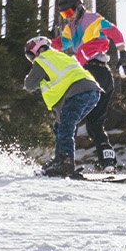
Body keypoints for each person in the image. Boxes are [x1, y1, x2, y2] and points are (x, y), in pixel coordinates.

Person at [54, 0, 126, 171]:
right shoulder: (70, 29)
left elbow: (114, 32)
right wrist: (46, 45)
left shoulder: (93, 19)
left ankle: (63, 159)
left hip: (93, 72)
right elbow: (62, 44)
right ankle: (108, 162)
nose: (68, 17)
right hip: (102, 77)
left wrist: (123, 53)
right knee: (94, 125)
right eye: (64, 14)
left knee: (67, 116)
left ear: (79, 7)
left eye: (69, 13)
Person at [22, 36, 103, 178]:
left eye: (30, 55)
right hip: (92, 92)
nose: (31, 59)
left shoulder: (42, 60)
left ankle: (65, 162)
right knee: (60, 126)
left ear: (36, 50)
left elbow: (29, 85)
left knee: (66, 125)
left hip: (77, 93)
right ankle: (59, 159)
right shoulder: (60, 56)